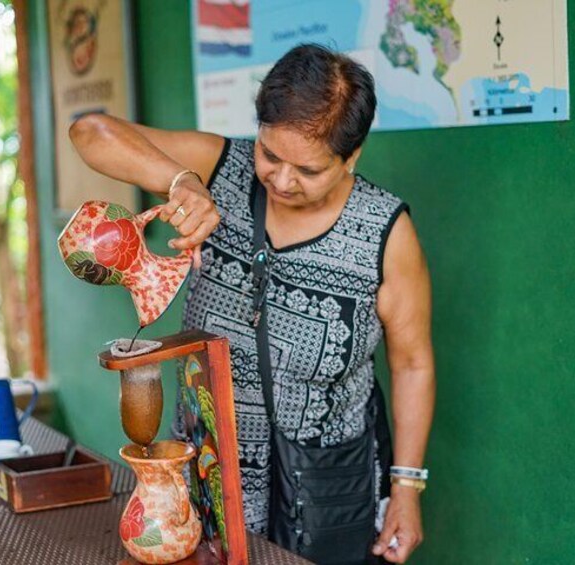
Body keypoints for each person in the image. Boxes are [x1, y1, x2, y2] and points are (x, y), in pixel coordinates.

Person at [70, 43, 435, 564]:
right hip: (210, 473)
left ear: (351, 156)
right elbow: (89, 132)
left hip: (332, 483)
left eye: (308, 170)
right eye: (270, 155)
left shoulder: (385, 231)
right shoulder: (221, 167)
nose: (282, 181)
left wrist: (406, 488)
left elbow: (414, 362)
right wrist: (181, 182)